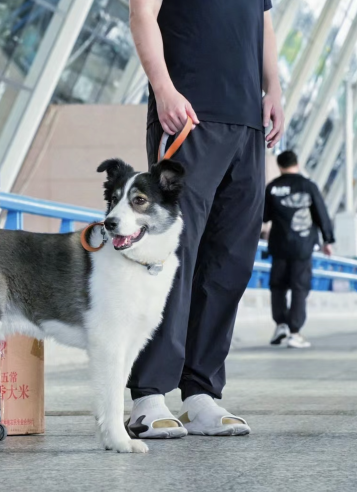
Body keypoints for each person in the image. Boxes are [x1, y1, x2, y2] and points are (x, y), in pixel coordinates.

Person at [125, 0, 283, 439]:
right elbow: (141, 13)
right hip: (188, 116)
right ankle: (149, 395)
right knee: (171, 256)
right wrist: (163, 88)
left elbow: (263, 23)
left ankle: (201, 394)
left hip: (247, 123)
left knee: (230, 263)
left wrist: (274, 90)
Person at [264, 150, 335, 349]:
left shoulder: (273, 187)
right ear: (296, 163)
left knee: (277, 286)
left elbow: (263, 216)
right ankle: (295, 332)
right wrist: (327, 240)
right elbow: (322, 213)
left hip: (279, 245)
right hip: (303, 247)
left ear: (279, 166)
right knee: (299, 287)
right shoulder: (308, 186)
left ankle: (281, 325)